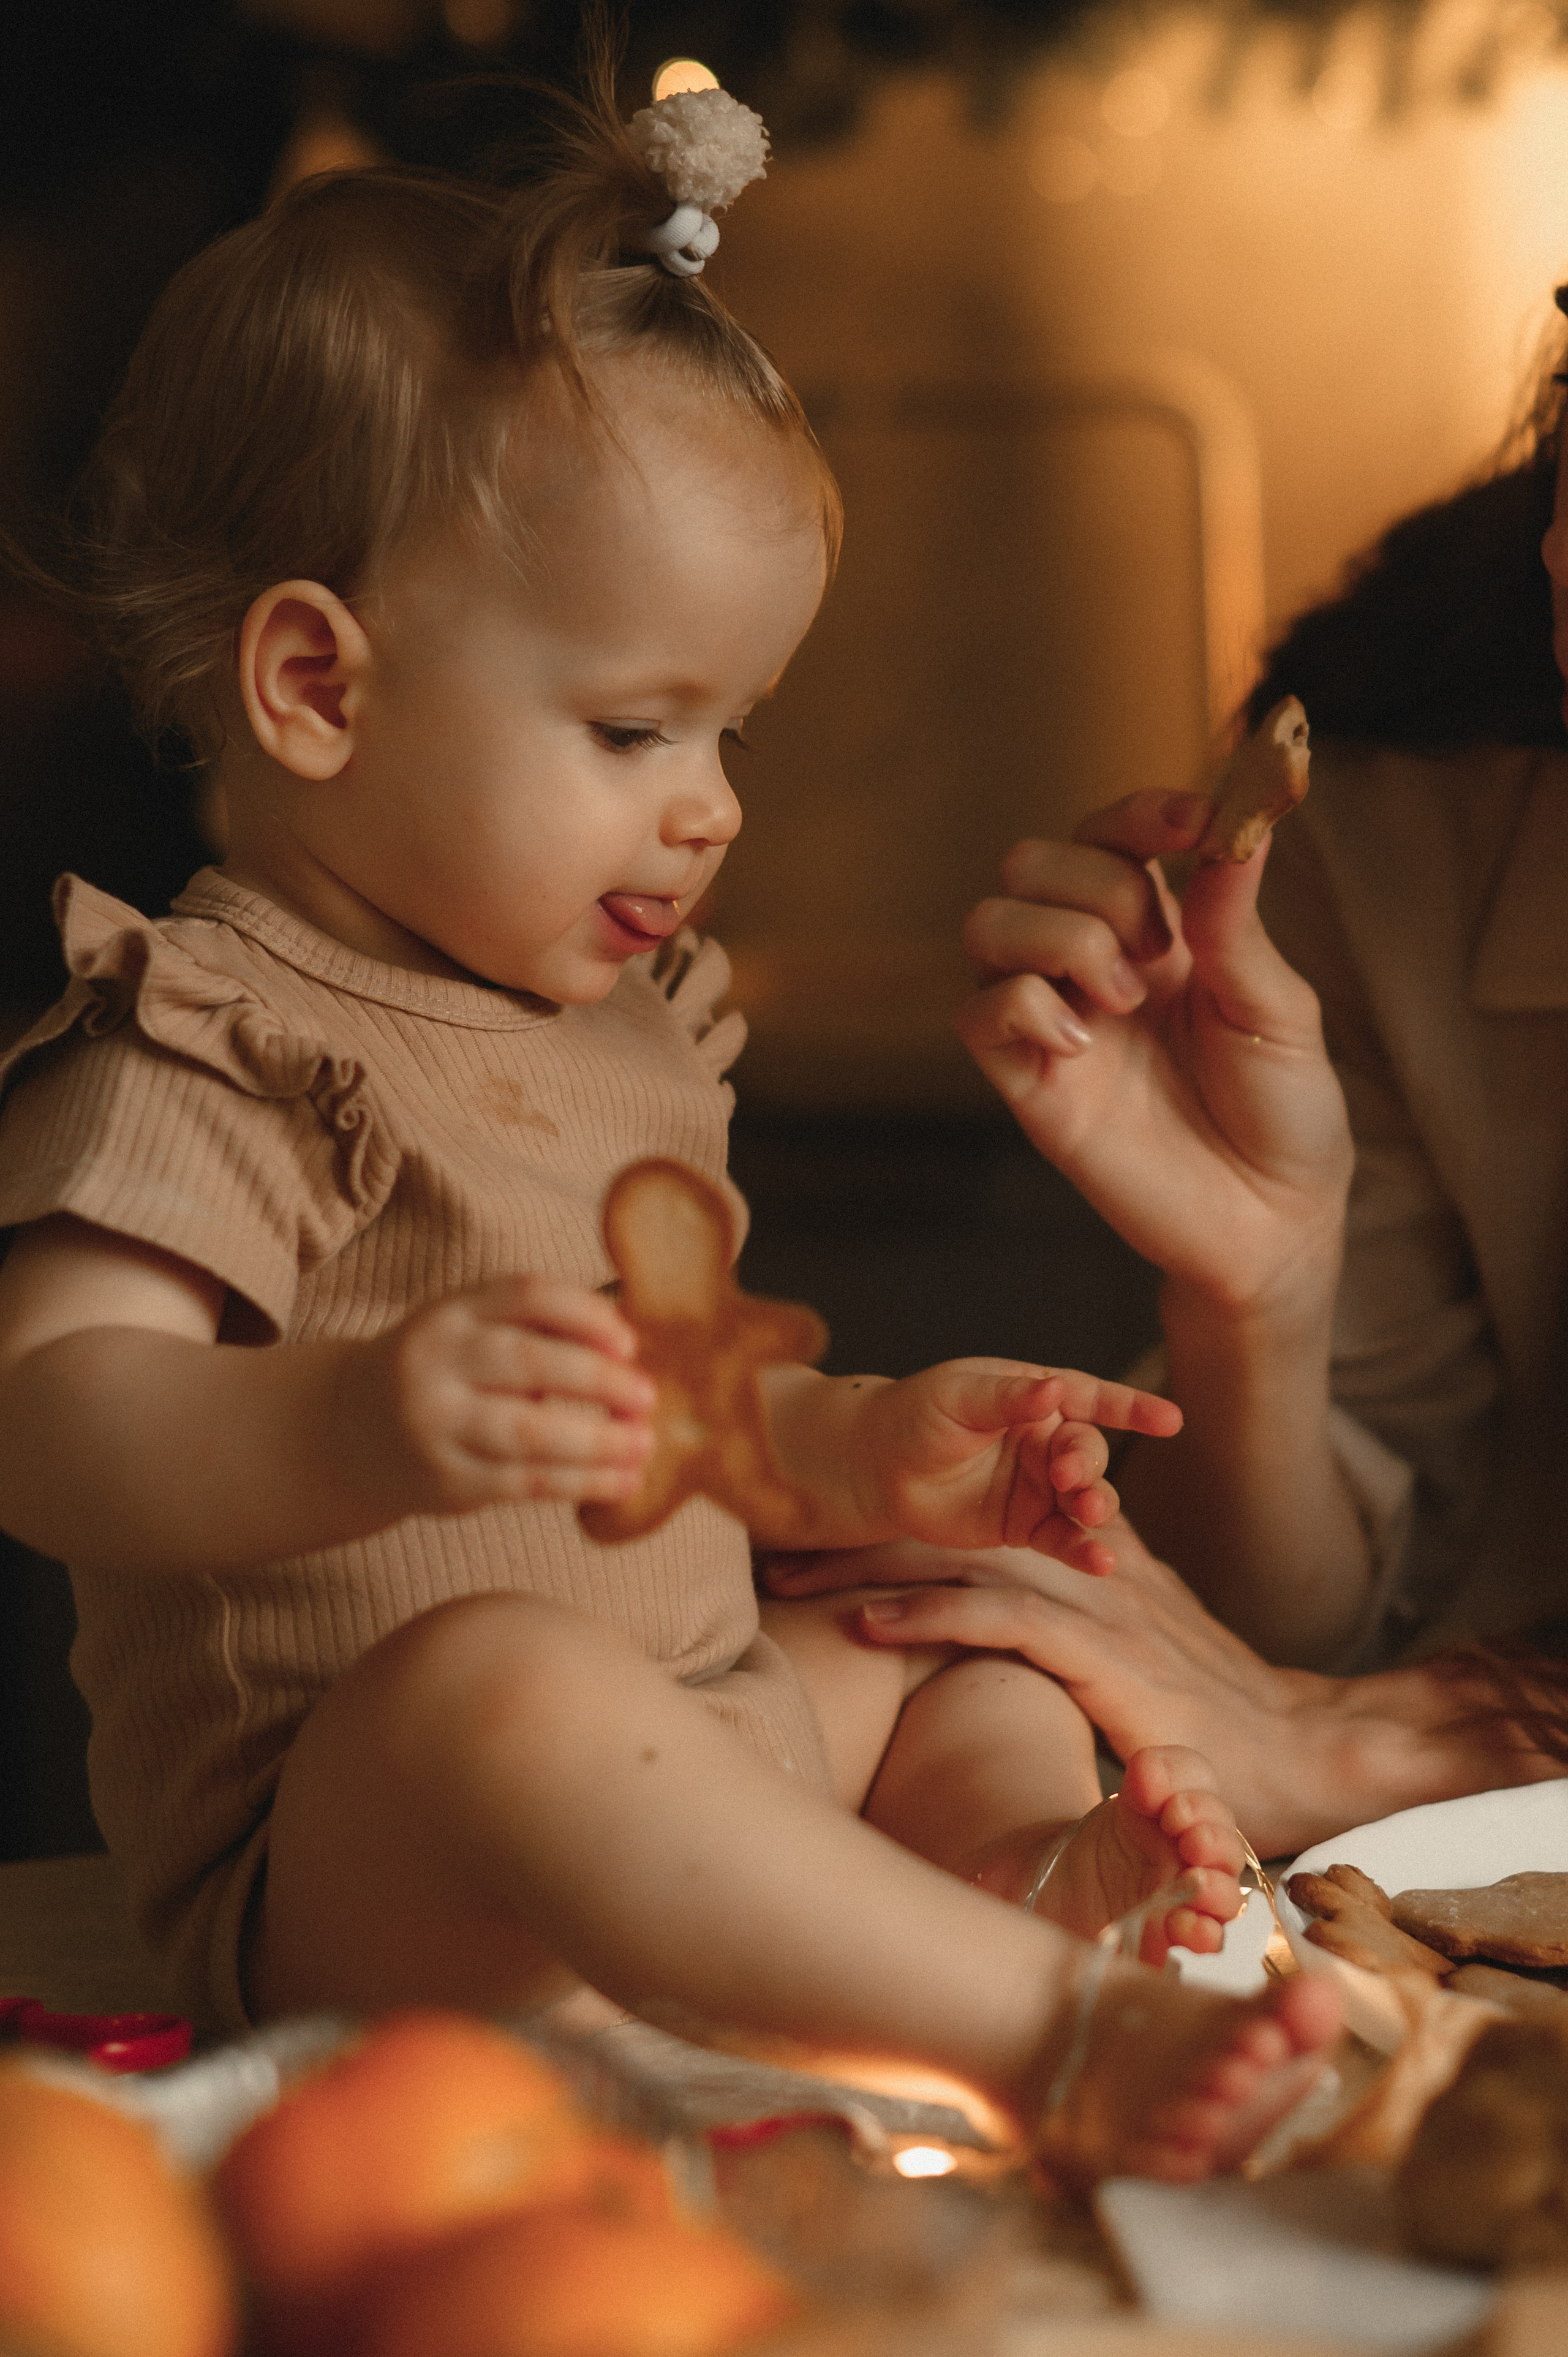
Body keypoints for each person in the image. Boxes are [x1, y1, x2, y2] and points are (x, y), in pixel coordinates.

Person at [0, 54, 1338, 2181]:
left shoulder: (632, 1030)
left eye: (733, 725)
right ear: (317, 687)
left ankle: (1002, 1882)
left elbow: (673, 1429)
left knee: (928, 1636)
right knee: (502, 1682)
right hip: (384, 1857)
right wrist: (360, 1423)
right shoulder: (215, 1027)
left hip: (699, 1732)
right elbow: (58, 1414)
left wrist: (859, 1443)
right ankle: (1044, 2029)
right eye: (634, 725)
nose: (710, 804)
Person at [767, 303, 1568, 1841]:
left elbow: (1319, 1721)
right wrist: (1257, 1295)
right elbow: (1292, 1641)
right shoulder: (1400, 831)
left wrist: (1367, 1747)